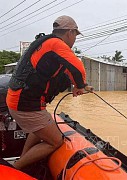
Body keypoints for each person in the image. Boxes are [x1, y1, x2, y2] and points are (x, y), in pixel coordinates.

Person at [6, 15, 93, 170]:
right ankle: (16, 169)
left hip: (18, 100)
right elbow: (77, 67)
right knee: (56, 141)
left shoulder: (46, 44)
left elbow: (67, 71)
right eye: (75, 35)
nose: (75, 39)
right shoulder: (56, 44)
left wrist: (78, 86)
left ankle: (23, 159)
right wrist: (80, 85)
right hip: (25, 104)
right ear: (70, 33)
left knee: (40, 128)